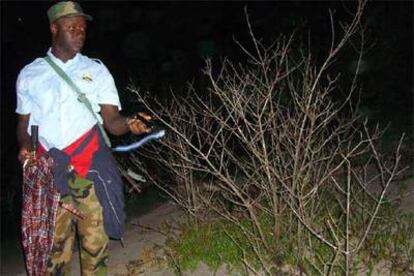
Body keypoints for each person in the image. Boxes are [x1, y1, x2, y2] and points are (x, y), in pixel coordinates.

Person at [16, 1, 150, 274]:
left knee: (95, 247)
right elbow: (23, 125)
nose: (79, 32)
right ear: (54, 29)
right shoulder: (30, 74)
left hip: (88, 167)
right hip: (50, 171)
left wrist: (130, 124)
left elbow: (112, 122)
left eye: (82, 28)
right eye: (71, 27)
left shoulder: (97, 70)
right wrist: (24, 148)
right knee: (53, 253)